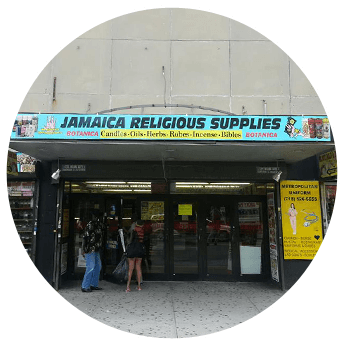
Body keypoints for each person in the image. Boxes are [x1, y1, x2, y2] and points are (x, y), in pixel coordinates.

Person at [81, 214, 104, 292]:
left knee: (98, 266)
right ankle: (85, 286)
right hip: (90, 249)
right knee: (91, 267)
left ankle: (93, 284)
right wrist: (83, 249)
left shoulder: (99, 225)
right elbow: (85, 237)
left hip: (96, 248)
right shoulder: (90, 225)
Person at [126, 219, 145, 293]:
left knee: (131, 268)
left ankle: (128, 286)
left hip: (132, 249)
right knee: (138, 268)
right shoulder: (142, 230)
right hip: (140, 249)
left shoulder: (134, 230)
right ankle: (139, 286)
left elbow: (130, 240)